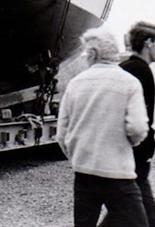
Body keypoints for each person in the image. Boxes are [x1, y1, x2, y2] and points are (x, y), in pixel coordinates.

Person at [57, 28, 149, 227]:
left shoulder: (75, 84)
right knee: (137, 223)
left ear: (92, 54)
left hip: (83, 171)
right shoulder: (129, 83)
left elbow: (61, 133)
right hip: (117, 171)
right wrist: (127, 145)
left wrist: (75, 156)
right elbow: (138, 128)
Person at [99, 22, 155, 227]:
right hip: (131, 160)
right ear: (148, 43)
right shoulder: (141, 71)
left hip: (121, 156)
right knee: (144, 218)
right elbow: (139, 122)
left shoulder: (125, 67)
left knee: (132, 215)